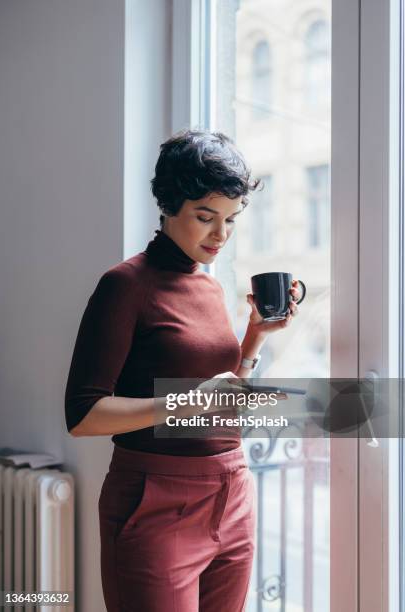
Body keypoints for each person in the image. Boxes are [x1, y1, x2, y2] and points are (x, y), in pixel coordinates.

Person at [64, 130, 301, 611]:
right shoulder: (125, 285)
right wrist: (186, 402)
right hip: (156, 501)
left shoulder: (211, 288)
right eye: (205, 217)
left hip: (232, 493)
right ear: (170, 204)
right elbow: (83, 415)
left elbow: (222, 397)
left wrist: (254, 337)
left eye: (231, 220)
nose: (220, 235)